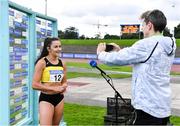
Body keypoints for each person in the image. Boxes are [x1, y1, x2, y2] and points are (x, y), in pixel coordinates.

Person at [97, 9, 176, 125]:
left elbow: (117, 60)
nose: (142, 29)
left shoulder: (146, 44)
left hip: (147, 108)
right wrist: (120, 51)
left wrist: (101, 53)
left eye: (143, 25)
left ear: (149, 25)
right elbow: (145, 59)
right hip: (163, 106)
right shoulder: (168, 44)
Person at [32, 37, 67, 125]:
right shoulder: (42, 63)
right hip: (46, 99)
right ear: (48, 48)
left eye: (60, 46)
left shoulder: (62, 63)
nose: (59, 49)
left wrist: (64, 87)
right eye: (56, 47)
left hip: (59, 99)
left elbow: (64, 81)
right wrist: (54, 89)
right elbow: (34, 85)